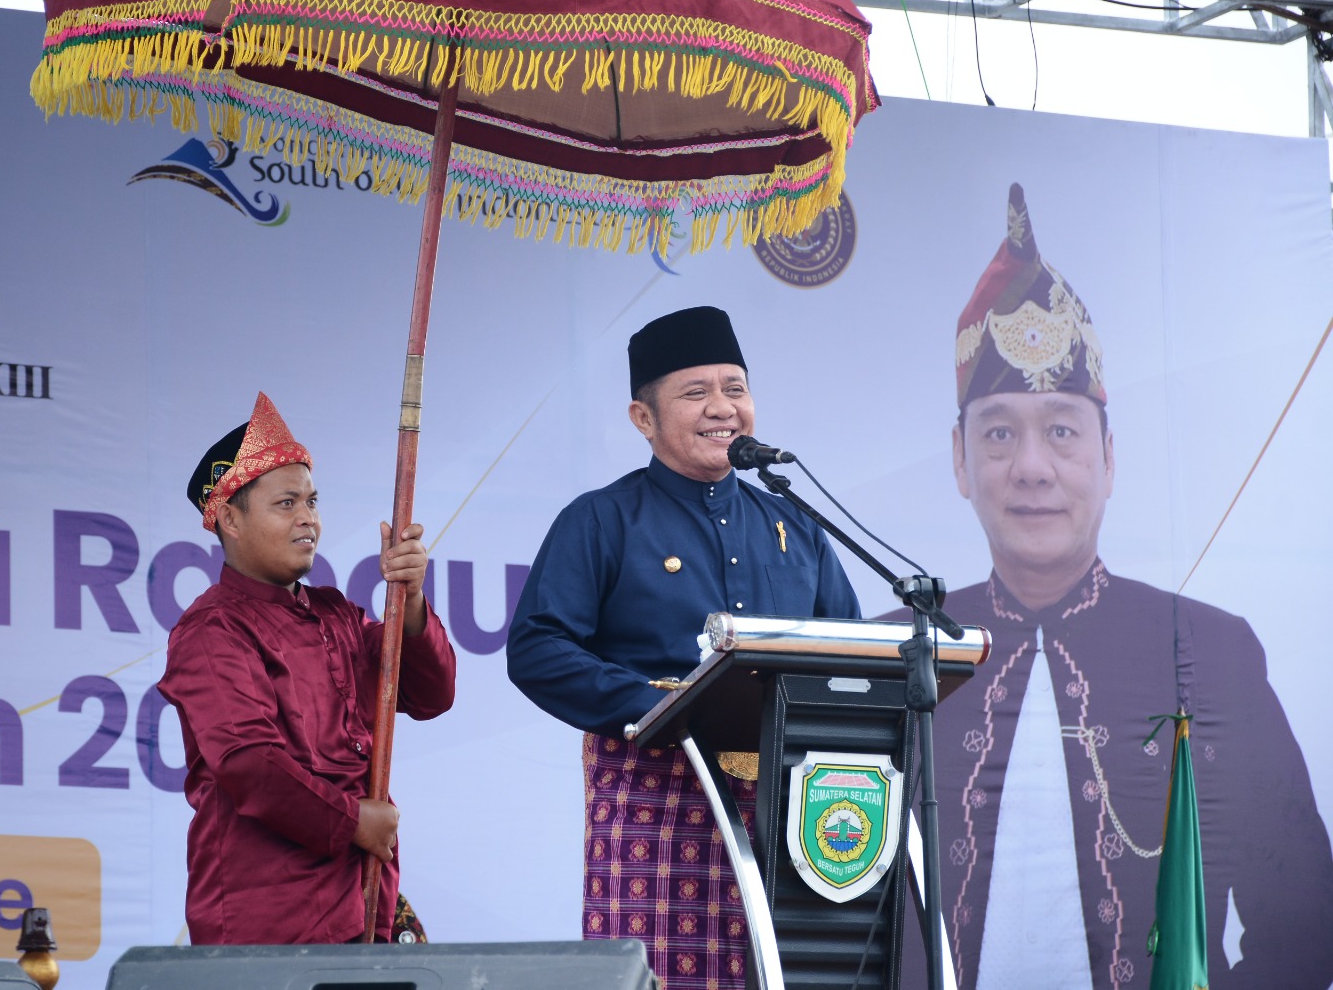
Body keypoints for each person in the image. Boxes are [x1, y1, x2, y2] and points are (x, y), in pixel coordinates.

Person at [893, 185, 1333, 990]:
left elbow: (1304, 924)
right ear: (959, 460)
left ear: (1108, 457)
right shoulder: (897, 651)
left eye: (1062, 430)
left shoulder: (1210, 650)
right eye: (1000, 432)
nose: (1032, 467)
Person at [506, 306, 861, 990]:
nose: (722, 408)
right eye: (697, 393)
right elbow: (538, 648)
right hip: (658, 793)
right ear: (643, 418)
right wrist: (660, 703)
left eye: (735, 389)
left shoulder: (795, 523)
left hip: (793, 805)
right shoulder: (602, 520)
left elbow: (848, 651)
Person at [158, 391, 457, 946]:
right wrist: (354, 822)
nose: (308, 519)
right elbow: (249, 764)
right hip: (267, 919)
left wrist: (411, 599)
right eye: (286, 503)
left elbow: (429, 693)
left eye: (312, 501)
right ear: (230, 519)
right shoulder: (212, 629)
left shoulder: (336, 614)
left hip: (361, 903)